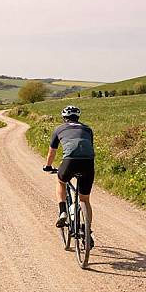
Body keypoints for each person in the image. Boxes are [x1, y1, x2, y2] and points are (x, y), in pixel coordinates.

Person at [43, 105, 95, 247]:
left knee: (61, 182)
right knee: (85, 199)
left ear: (64, 118)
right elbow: (88, 146)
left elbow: (52, 152)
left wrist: (48, 166)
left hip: (70, 161)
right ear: (78, 117)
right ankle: (87, 231)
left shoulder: (59, 129)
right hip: (88, 163)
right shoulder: (87, 129)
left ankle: (63, 212)